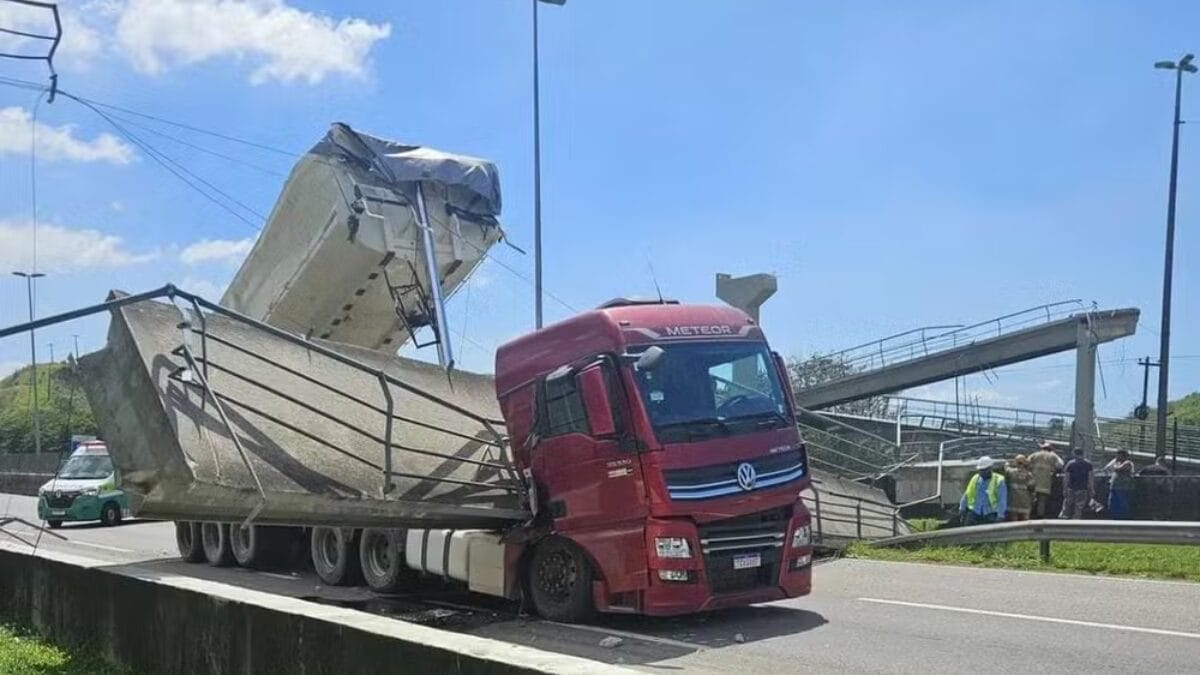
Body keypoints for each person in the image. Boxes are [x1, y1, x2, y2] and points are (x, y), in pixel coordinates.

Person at [959, 456, 1007, 526]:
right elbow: (967, 494)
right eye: (980, 470)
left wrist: (1000, 516)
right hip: (975, 511)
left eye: (984, 470)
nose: (982, 472)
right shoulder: (975, 478)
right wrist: (962, 508)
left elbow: (1002, 500)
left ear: (990, 468)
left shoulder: (999, 480)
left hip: (990, 513)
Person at [1027, 441, 1063, 518]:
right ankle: (1040, 516)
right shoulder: (1053, 456)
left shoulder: (1035, 454)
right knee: (1042, 501)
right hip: (1045, 482)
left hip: (1033, 481)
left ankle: (1028, 514)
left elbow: (1027, 462)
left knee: (1031, 499)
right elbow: (1060, 465)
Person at [1059, 448, 1094, 519]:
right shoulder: (1088, 464)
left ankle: (1063, 520)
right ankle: (1076, 520)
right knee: (1079, 507)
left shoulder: (1070, 464)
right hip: (1083, 488)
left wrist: (1064, 489)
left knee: (1067, 505)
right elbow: (1090, 478)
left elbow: (1066, 478)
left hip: (1071, 488)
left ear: (1074, 453)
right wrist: (1091, 489)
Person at [1102, 450, 1136, 519]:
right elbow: (1106, 468)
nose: (1117, 457)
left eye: (1118, 456)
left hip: (1124, 487)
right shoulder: (1117, 463)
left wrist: (1115, 463)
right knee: (1113, 502)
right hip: (1114, 486)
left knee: (1122, 502)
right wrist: (1113, 463)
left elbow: (1118, 469)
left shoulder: (1128, 463)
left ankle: (1124, 517)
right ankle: (1114, 516)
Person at [1005, 455, 1034, 521]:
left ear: (1015, 462)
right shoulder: (1028, 474)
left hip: (1012, 503)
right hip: (1025, 503)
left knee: (1013, 523)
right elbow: (1032, 487)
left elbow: (1006, 479)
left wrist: (1007, 464)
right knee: (1025, 522)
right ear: (1025, 463)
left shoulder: (1010, 472)